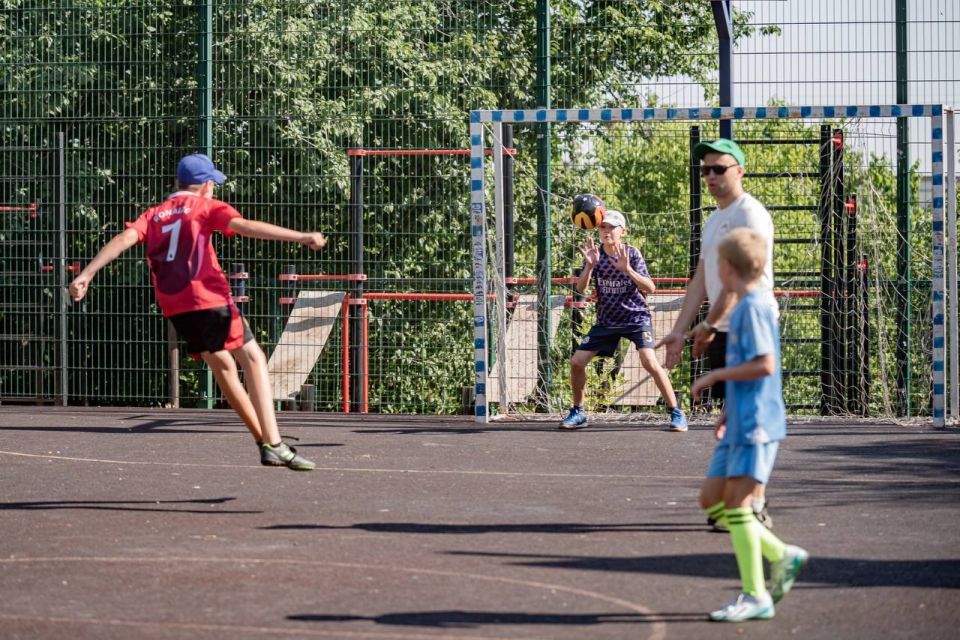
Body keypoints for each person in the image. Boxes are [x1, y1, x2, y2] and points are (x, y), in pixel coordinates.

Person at [68, 153, 324, 471]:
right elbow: (245, 226)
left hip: (176, 308)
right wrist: (301, 236)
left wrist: (86, 274)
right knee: (254, 358)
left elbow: (124, 239)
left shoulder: (155, 214)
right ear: (205, 186)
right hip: (208, 298)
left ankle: (264, 443)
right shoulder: (204, 206)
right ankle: (274, 441)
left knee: (224, 368)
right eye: (212, 184)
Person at [658, 138, 775, 530]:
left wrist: (707, 325)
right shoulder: (714, 220)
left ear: (739, 170)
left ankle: (754, 504)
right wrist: (678, 331)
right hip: (722, 328)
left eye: (719, 168)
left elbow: (741, 281)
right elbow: (700, 280)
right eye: (705, 169)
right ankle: (738, 500)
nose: (710, 176)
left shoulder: (750, 214)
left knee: (750, 419)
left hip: (749, 325)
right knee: (734, 416)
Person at [692, 228, 808, 622]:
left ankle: (755, 595)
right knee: (711, 500)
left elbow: (765, 365)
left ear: (727, 268)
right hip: (741, 418)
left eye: (717, 264)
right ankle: (781, 553)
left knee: (738, 505)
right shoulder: (743, 307)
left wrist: (714, 376)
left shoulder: (754, 308)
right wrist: (728, 409)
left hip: (757, 423)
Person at [560, 206, 688, 432]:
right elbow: (580, 288)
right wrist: (589, 266)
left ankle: (676, 412)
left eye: (611, 227)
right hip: (607, 321)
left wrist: (628, 270)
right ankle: (578, 412)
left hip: (635, 318)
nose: (606, 231)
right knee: (577, 362)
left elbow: (650, 288)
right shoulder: (595, 255)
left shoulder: (631, 254)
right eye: (602, 227)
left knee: (649, 362)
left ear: (623, 231)